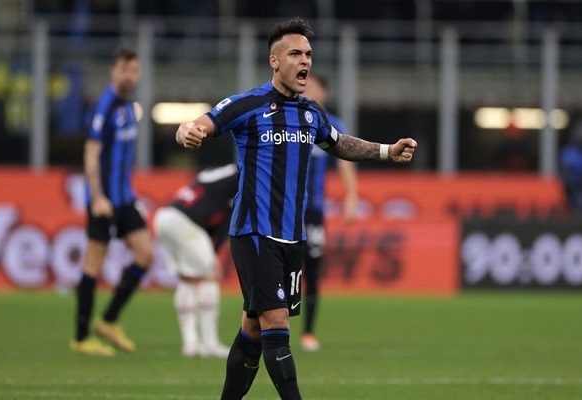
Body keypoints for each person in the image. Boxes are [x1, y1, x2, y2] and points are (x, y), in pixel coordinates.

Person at [175, 17, 417, 400]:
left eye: (308, 54)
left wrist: (387, 151)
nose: (305, 61)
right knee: (276, 324)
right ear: (274, 61)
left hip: (292, 237)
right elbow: (200, 124)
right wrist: (186, 131)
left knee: (254, 329)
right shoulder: (248, 105)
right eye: (295, 54)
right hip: (255, 232)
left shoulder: (311, 113)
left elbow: (339, 143)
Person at [71, 47, 154, 357]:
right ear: (113, 71)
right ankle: (81, 337)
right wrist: (97, 197)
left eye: (134, 71)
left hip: (124, 198)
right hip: (104, 200)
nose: (129, 76)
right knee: (93, 264)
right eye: (124, 70)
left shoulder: (129, 107)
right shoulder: (104, 106)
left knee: (145, 254)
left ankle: (108, 320)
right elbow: (91, 154)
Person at [153, 163, 238, 358]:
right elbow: (228, 219)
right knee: (209, 275)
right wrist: (214, 253)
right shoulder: (242, 178)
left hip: (164, 217)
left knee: (188, 279)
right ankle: (210, 343)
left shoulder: (214, 173)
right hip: (184, 221)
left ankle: (190, 343)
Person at [300, 73, 358, 352]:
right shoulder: (288, 118)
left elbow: (346, 162)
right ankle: (271, 327)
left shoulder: (331, 125)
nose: (306, 90)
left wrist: (351, 197)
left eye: (312, 86)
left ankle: (308, 332)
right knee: (280, 267)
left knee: (312, 267)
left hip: (313, 209)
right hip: (283, 207)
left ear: (323, 93)